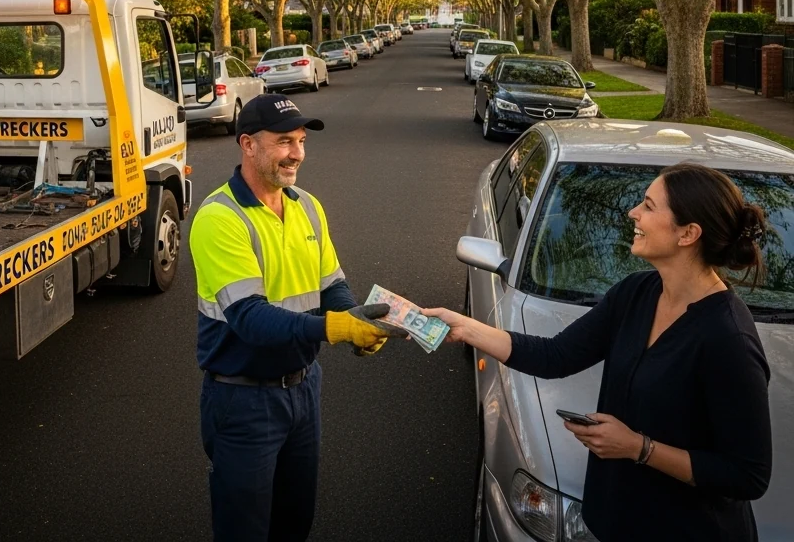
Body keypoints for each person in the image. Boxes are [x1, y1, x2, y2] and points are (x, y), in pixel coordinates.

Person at [423, 162, 772, 542]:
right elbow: (556, 355)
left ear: (687, 234)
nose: (632, 212)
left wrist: (640, 448)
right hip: (616, 522)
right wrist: (467, 327)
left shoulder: (728, 338)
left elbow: (747, 475)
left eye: (649, 206)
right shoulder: (637, 293)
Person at [188, 93, 399, 542]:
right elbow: (250, 319)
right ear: (247, 144)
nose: (297, 153)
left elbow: (332, 285)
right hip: (242, 402)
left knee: (294, 522)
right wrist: (334, 328)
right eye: (284, 141)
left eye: (301, 141)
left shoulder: (306, 205)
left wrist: (356, 318)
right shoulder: (219, 218)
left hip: (303, 391)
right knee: (244, 532)